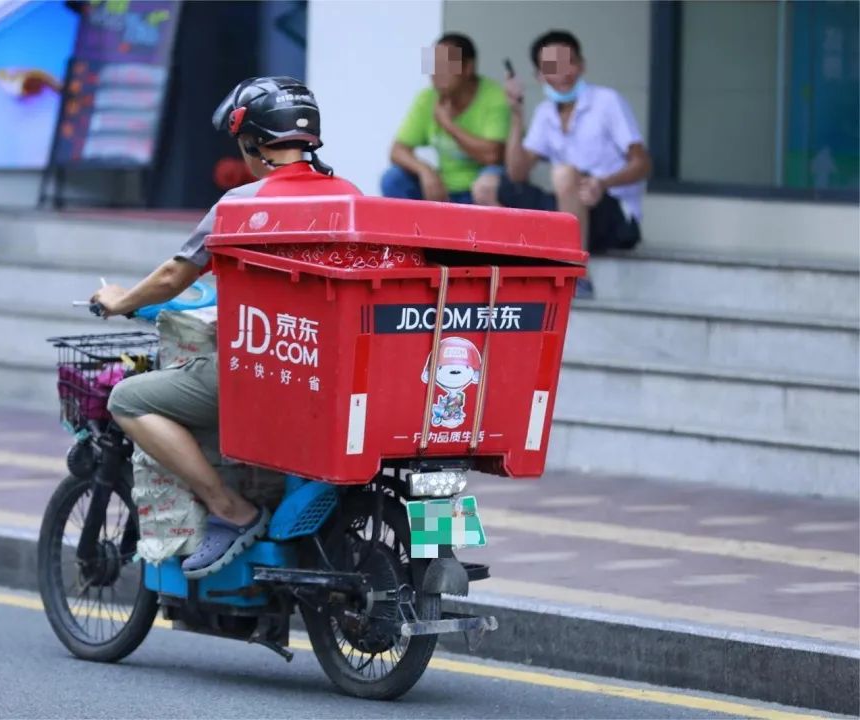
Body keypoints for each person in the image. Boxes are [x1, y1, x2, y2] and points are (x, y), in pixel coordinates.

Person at [90, 76, 361, 579]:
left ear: (253, 143)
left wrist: (120, 301)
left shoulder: (240, 205)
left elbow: (173, 276)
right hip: (339, 377)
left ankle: (230, 509)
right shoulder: (350, 197)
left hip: (270, 371)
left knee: (127, 399)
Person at [473, 30, 651, 298]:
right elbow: (517, 173)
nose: (564, 73)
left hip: (614, 216)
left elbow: (643, 163)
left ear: (582, 65)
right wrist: (517, 113)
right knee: (486, 187)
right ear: (539, 76)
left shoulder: (607, 101)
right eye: (552, 67)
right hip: (569, 210)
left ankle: (577, 276)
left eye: (570, 63)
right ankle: (518, 269)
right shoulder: (545, 112)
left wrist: (602, 183)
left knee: (564, 175)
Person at [381, 33, 510, 204]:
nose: (436, 74)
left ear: (468, 68)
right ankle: (420, 222)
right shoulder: (428, 98)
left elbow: (493, 155)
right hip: (443, 188)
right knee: (393, 179)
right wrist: (425, 171)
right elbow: (397, 151)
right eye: (433, 66)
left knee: (489, 184)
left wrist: (449, 125)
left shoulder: (495, 96)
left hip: (480, 188)